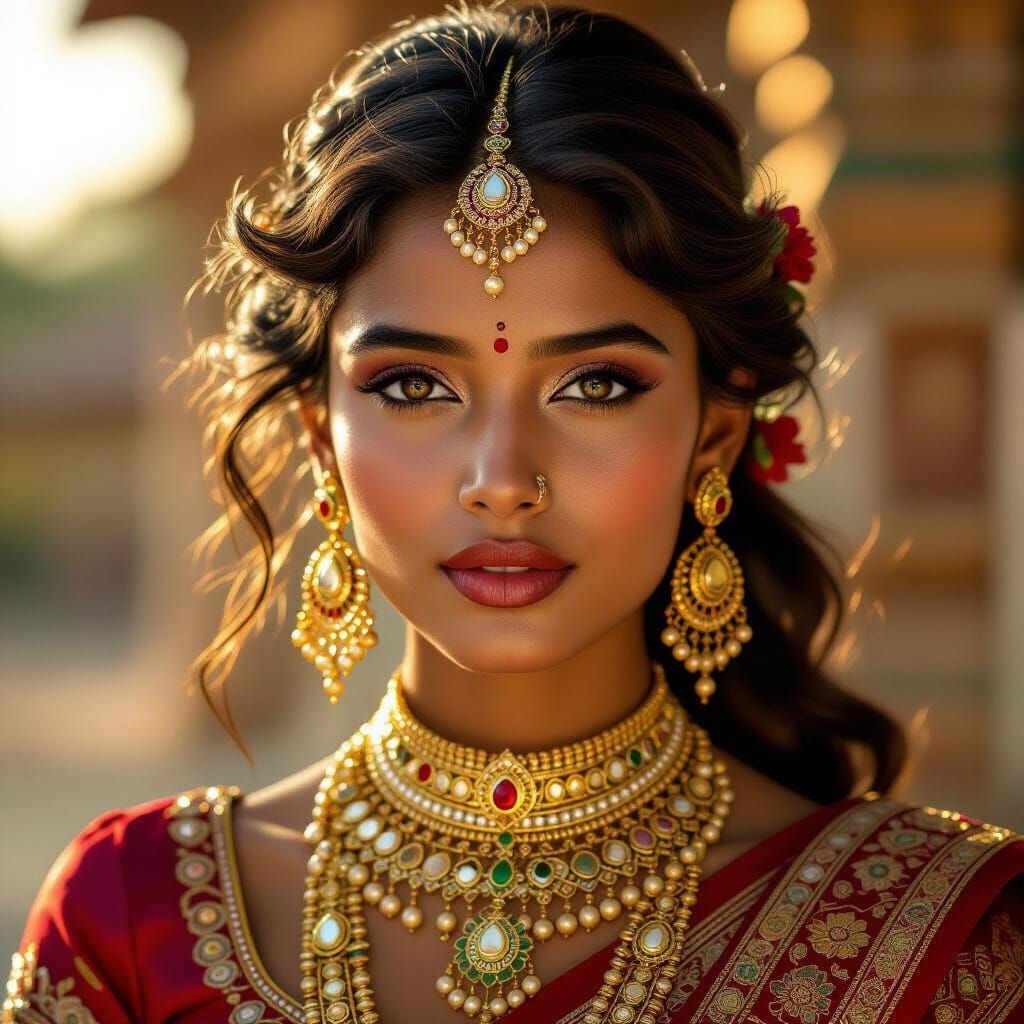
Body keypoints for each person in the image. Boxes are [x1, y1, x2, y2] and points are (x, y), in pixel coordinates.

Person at [5, 4, 1022, 1023]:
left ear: (713, 435)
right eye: (414, 386)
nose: (502, 479)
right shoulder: (132, 923)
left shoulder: (940, 942)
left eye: (595, 385)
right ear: (321, 438)